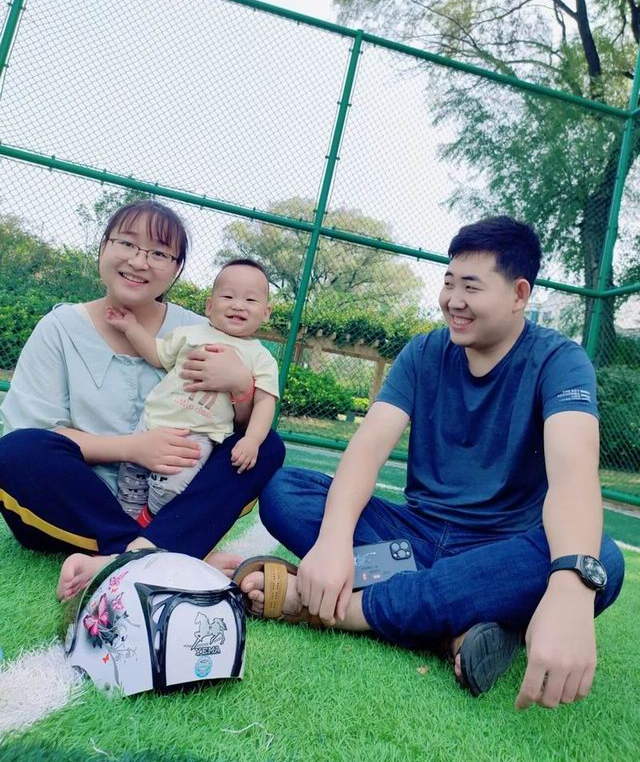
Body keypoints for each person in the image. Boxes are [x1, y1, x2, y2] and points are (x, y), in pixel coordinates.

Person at [233, 216, 625, 709]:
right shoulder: (423, 352)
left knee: (599, 559)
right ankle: (458, 624)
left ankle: (342, 610)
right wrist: (333, 541)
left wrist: (569, 587)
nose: (453, 300)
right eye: (448, 282)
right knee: (286, 491)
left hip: (499, 551)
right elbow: (367, 449)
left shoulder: (559, 360)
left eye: (471, 287)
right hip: (408, 543)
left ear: (519, 294)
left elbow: (573, 474)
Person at [0, 200, 285, 600]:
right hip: (75, 504)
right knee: (16, 451)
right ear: (104, 246)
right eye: (127, 243)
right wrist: (133, 448)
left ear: (176, 268)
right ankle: (172, 552)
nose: (139, 261)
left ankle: (133, 554)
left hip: (173, 497)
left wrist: (241, 388)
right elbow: (37, 433)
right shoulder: (59, 328)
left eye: (159, 253)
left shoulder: (202, 329)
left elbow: (239, 425)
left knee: (265, 446)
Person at [105, 258, 279, 527]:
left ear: (266, 312)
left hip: (197, 435)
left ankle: (150, 521)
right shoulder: (189, 334)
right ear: (209, 306)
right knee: (130, 480)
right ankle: (124, 526)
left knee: (173, 488)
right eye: (228, 296)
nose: (238, 305)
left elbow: (265, 402)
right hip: (153, 422)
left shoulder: (261, 358)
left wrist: (253, 440)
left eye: (250, 300)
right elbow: (157, 355)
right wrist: (131, 328)